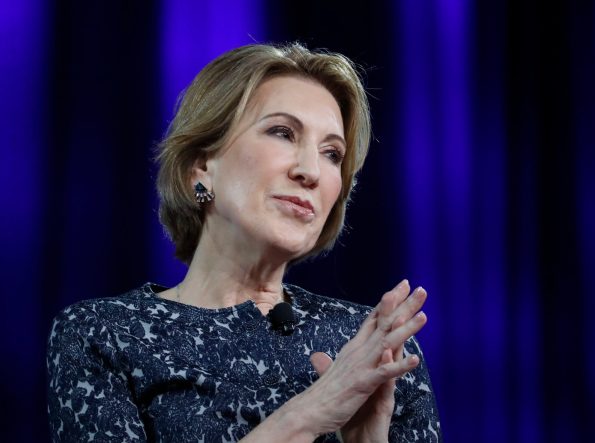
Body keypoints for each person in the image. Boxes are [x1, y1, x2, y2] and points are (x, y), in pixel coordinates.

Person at [47, 42, 442, 442]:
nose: (311, 172)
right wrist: (310, 413)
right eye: (283, 133)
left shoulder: (375, 346)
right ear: (202, 167)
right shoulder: (104, 335)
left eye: (332, 154)